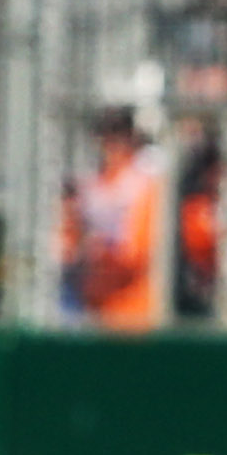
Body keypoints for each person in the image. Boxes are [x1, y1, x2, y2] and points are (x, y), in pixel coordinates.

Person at [66, 111, 168, 328]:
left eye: (116, 138)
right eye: (105, 139)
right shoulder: (93, 185)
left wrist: (103, 251)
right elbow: (69, 242)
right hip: (94, 299)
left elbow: (136, 253)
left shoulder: (144, 183)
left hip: (134, 303)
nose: (110, 147)